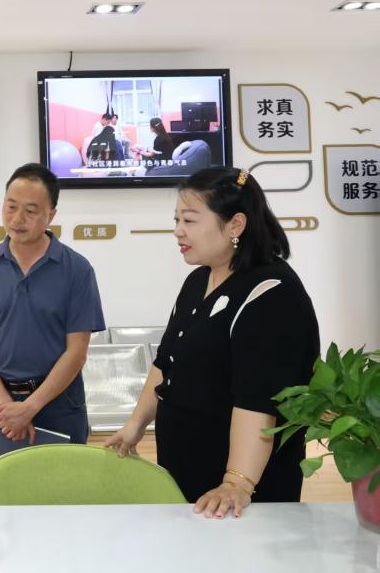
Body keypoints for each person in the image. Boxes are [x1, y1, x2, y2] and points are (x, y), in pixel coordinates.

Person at [105, 167, 318, 518]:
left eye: (189, 220)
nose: (178, 231)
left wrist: (237, 482)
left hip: (239, 487)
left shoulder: (271, 291)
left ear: (235, 225)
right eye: (177, 220)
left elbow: (259, 401)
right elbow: (166, 363)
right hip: (185, 466)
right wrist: (135, 426)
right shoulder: (197, 280)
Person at [0, 163, 105, 459]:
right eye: (11, 206)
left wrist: (29, 408)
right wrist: (7, 407)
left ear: (51, 214)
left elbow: (76, 352)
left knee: (62, 485)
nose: (17, 219)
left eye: (30, 210)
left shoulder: (77, 269)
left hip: (58, 403)